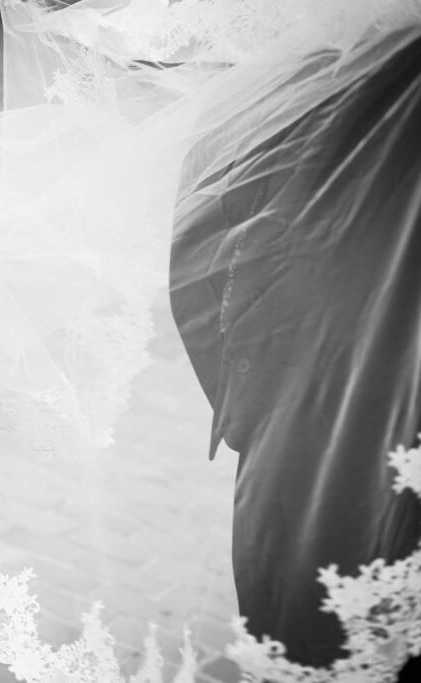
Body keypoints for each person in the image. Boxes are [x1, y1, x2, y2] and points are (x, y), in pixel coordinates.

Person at [170, 24, 421, 680]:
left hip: (295, 447)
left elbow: (195, 277)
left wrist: (255, 404)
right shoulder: (279, 94)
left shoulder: (264, 94)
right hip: (304, 454)